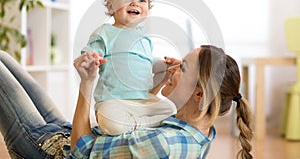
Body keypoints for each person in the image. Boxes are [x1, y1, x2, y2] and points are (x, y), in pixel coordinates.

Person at [0, 45, 253, 159]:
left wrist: (87, 83)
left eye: (182, 67)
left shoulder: (164, 145)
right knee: (4, 58)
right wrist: (167, 82)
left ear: (198, 94)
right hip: (66, 134)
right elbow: (134, 119)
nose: (173, 67)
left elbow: (81, 151)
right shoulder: (199, 130)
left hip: (48, 151)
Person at [81, 0, 176, 135]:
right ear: (111, 7)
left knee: (172, 110)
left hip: (143, 102)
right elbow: (92, 51)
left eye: (142, 0)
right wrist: (92, 58)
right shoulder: (105, 32)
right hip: (113, 101)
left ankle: (135, 125)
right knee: (111, 122)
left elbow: (147, 62)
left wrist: (164, 64)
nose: (135, 3)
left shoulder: (144, 39)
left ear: (148, 7)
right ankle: (142, 125)